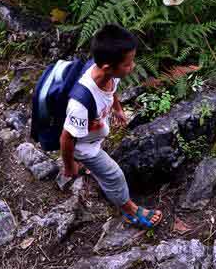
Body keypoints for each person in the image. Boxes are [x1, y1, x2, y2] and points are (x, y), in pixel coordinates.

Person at [59, 24, 163, 229]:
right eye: (128, 64)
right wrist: (69, 165)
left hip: (93, 135)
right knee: (114, 175)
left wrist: (117, 108)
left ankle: (91, 170)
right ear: (108, 66)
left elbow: (112, 90)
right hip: (85, 148)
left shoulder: (107, 75)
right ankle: (130, 210)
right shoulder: (79, 105)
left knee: (103, 168)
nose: (132, 67)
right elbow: (66, 138)